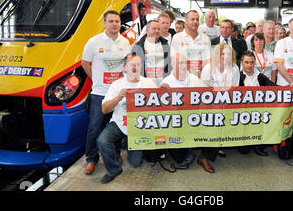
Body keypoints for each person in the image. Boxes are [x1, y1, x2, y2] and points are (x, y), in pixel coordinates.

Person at [81, 10, 130, 175]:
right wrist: (96, 79)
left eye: (117, 21)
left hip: (117, 94)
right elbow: (85, 63)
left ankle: (115, 154)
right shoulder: (93, 42)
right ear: (104, 23)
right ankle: (91, 159)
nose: (114, 24)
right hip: (100, 93)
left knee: (114, 125)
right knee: (94, 127)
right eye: (111, 21)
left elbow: (127, 65)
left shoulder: (125, 42)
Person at [97, 54, 157, 184]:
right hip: (120, 123)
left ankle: (130, 144)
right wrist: (118, 97)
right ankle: (114, 170)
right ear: (125, 67)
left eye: (138, 65)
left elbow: (161, 106)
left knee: (135, 163)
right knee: (102, 140)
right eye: (132, 65)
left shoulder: (149, 83)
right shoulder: (117, 84)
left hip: (140, 127)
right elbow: (104, 109)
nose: (135, 68)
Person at [199, 43, 240, 173]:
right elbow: (202, 90)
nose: (225, 56)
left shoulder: (234, 68)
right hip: (209, 105)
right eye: (222, 53)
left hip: (227, 104)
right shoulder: (207, 69)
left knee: (224, 125)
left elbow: (235, 89)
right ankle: (203, 157)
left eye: (228, 53)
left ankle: (216, 147)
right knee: (214, 127)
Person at [159, 53, 206, 165]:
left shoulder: (195, 79)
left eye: (185, 63)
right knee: (179, 158)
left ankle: (202, 155)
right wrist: (165, 93)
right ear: (172, 64)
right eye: (180, 63)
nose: (183, 66)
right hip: (174, 122)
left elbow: (207, 96)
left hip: (194, 118)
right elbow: (160, 109)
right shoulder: (166, 82)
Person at [171, 10, 212, 78]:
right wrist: (191, 72)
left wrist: (202, 73)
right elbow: (174, 59)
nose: (195, 22)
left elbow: (208, 59)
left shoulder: (206, 38)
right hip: (183, 78)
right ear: (186, 21)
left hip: (201, 78)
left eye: (197, 19)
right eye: (192, 19)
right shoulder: (177, 38)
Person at [131, 20, 171, 86]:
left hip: (163, 84)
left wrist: (167, 80)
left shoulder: (165, 45)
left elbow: (169, 64)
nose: (157, 31)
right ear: (147, 30)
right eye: (154, 29)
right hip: (145, 85)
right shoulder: (138, 46)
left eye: (158, 29)